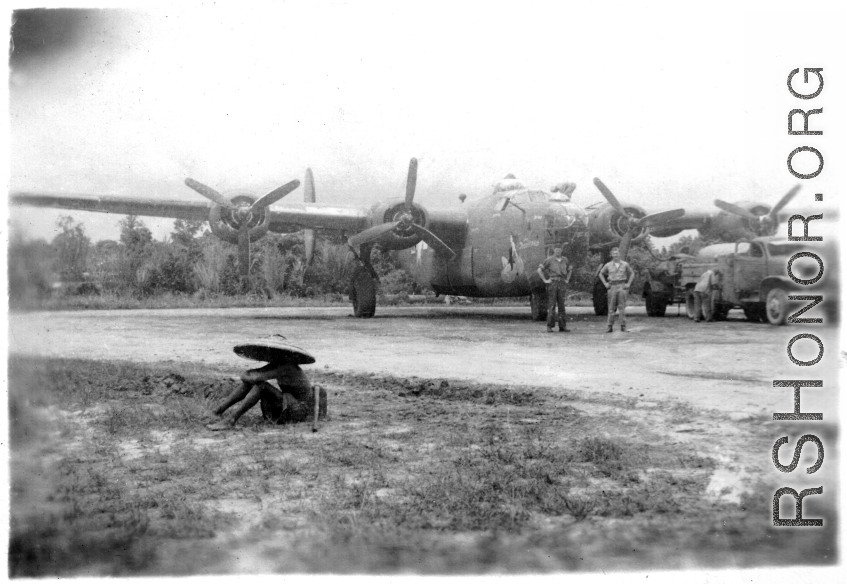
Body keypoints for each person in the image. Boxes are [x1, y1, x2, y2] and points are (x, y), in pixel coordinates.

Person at [207, 361, 321, 430]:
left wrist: (246, 375)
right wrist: (248, 376)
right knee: (250, 383)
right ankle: (218, 411)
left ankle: (231, 420)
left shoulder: (287, 366)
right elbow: (253, 374)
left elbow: (255, 377)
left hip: (298, 410)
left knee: (260, 386)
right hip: (288, 403)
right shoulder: (277, 363)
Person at [598, 247, 635, 333]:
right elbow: (601, 274)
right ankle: (609, 326)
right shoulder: (608, 265)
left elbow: (632, 273)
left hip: (622, 286)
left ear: (619, 254)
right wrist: (605, 284)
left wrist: (628, 284)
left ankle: (623, 326)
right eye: (614, 254)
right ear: (611, 255)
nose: (615, 255)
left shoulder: (625, 264)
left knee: (622, 307)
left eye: (617, 253)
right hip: (612, 286)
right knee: (611, 308)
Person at [537, 245, 572, 332]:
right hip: (553, 283)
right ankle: (549, 326)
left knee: (562, 305)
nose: (558, 252)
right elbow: (539, 270)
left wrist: (567, 279)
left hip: (561, 283)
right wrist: (545, 280)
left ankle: (562, 326)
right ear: (554, 251)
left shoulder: (565, 260)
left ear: (562, 250)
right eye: (556, 250)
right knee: (552, 305)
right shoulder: (549, 260)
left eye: (559, 250)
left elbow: (570, 269)